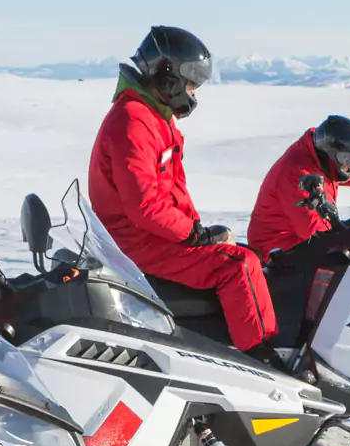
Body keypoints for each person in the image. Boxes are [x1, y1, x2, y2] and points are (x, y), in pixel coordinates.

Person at [86, 25, 277, 356]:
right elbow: (145, 206)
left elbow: (170, 190)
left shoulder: (153, 116)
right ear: (168, 75)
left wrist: (201, 232)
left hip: (152, 236)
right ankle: (264, 360)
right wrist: (196, 236)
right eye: (190, 82)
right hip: (137, 243)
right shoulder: (134, 121)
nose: (192, 92)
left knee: (255, 258)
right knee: (239, 265)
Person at [246, 114, 350, 255]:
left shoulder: (322, 156)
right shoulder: (298, 177)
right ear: (331, 154)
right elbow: (313, 229)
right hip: (277, 249)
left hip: (301, 237)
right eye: (348, 160)